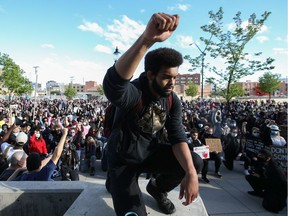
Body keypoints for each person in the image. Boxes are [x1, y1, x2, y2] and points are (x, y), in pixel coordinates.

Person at [103, 13, 202, 216]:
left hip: (149, 153)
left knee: (194, 162)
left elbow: (177, 136)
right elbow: (114, 85)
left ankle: (156, 188)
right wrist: (147, 40)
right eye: (166, 77)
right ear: (150, 75)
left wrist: (191, 173)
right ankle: (115, 181)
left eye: (175, 77)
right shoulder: (134, 92)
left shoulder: (172, 100)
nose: (172, 83)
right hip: (123, 159)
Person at [245, 149, 287, 213]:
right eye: (259, 155)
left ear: (268, 158)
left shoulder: (274, 168)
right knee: (250, 177)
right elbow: (258, 169)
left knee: (268, 206)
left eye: (262, 156)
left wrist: (259, 176)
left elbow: (273, 182)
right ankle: (259, 192)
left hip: (277, 188)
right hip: (268, 183)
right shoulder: (264, 162)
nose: (259, 157)